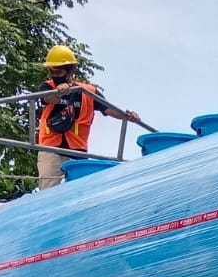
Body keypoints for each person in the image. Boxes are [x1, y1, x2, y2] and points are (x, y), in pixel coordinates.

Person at [35, 44, 141, 190]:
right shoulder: (48, 87)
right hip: (51, 148)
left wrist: (127, 116)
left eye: (58, 72)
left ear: (70, 71)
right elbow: (47, 99)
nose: (55, 76)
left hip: (77, 150)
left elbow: (108, 109)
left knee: (79, 191)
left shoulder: (88, 92)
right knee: (48, 189)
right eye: (52, 71)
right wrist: (58, 93)